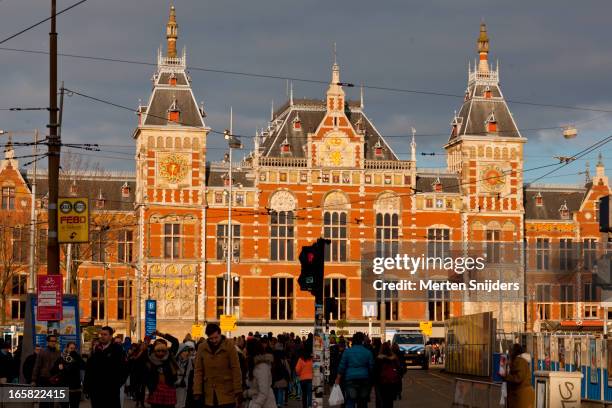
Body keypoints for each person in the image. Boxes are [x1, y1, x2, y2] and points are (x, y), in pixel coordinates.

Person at [193, 323, 243, 408]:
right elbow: (198, 370)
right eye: (211, 338)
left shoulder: (229, 346)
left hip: (227, 393)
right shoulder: (202, 348)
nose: (214, 341)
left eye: (216, 337)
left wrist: (238, 390)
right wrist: (197, 390)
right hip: (209, 394)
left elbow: (235, 369)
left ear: (220, 334)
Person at [83, 326, 127, 408]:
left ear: (110, 336)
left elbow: (123, 369)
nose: (102, 336)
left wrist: (117, 384)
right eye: (101, 334)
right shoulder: (96, 349)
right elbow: (89, 369)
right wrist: (87, 386)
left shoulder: (117, 349)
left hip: (111, 390)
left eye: (105, 334)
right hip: (96, 390)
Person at [336, 332, 375, 408]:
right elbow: (371, 367)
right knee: (363, 402)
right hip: (364, 378)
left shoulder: (347, 352)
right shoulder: (368, 352)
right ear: (362, 341)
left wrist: (338, 378)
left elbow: (342, 366)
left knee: (350, 400)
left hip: (350, 378)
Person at [144, 338, 179, 408]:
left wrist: (160, 334)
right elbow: (147, 376)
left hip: (169, 390)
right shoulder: (150, 359)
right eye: (158, 347)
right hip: (155, 390)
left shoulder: (169, 357)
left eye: (162, 348)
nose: (160, 351)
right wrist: (150, 388)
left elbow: (175, 342)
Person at [243, 339, 276, 408]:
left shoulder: (262, 367)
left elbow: (264, 391)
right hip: (257, 401)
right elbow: (257, 389)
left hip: (265, 404)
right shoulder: (254, 365)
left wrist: (256, 405)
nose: (244, 350)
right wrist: (247, 393)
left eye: (246, 347)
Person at [53, 342, 85, 408]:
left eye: (74, 348)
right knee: (64, 406)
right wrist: (59, 367)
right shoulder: (62, 358)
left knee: (75, 405)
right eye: (71, 348)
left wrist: (76, 357)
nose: (72, 350)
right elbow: (54, 369)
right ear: (67, 348)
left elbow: (83, 366)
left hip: (75, 387)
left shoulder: (77, 358)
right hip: (64, 386)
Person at [503, 343, 535, 408]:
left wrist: (506, 376)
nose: (509, 352)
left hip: (522, 396)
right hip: (520, 396)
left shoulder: (519, 361)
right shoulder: (517, 361)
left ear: (514, 352)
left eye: (510, 351)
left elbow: (518, 378)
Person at [374, 342, 402, 408]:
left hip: (381, 382)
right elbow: (399, 369)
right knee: (390, 400)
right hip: (392, 382)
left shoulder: (378, 358)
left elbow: (375, 371)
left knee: (381, 399)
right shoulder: (394, 358)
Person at [175, 341, 195, 408]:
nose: (186, 353)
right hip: (175, 385)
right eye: (184, 351)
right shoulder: (175, 361)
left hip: (184, 386)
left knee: (182, 403)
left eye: (187, 351)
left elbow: (190, 373)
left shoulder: (189, 361)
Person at [271, 343, 291, 408]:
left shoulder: (273, 359)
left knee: (275, 391)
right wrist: (289, 376)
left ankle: (276, 403)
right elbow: (288, 369)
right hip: (282, 377)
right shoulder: (284, 359)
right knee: (281, 391)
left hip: (275, 378)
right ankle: (280, 404)